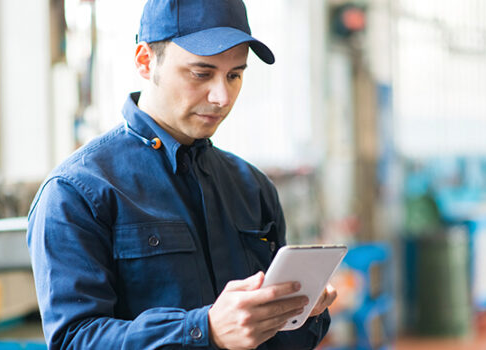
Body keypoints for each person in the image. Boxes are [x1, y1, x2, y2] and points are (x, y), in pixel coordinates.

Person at [27, 0, 335, 348]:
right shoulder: (78, 192)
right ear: (145, 61)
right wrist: (206, 330)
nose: (221, 97)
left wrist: (302, 312)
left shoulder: (253, 187)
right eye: (201, 73)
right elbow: (74, 339)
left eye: (234, 75)